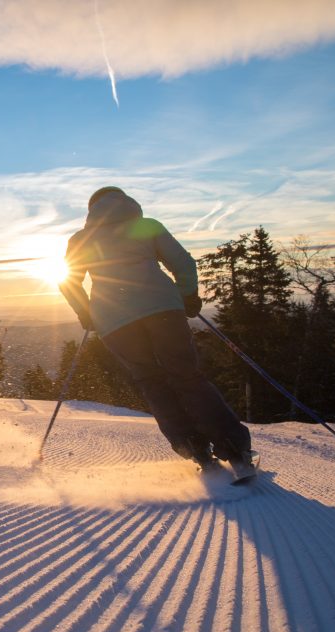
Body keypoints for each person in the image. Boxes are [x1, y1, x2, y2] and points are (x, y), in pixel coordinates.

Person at [58, 186, 253, 475]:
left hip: (114, 322)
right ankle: (232, 447)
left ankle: (194, 448)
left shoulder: (81, 238)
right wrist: (188, 295)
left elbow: (69, 282)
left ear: (92, 210)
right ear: (125, 202)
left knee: (152, 382)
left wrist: (86, 313)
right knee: (186, 375)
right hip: (162, 309)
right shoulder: (145, 226)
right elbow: (183, 262)